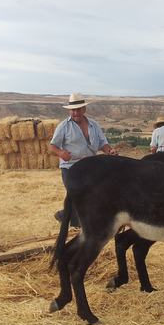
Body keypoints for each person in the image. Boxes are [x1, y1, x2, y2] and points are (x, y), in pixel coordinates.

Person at [49, 93, 118, 226]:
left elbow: (103, 144)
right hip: (71, 167)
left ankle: (69, 216)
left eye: (78, 109)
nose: (75, 113)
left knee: (94, 194)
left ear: (84, 109)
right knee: (76, 195)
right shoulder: (63, 127)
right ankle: (72, 220)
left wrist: (110, 151)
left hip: (91, 167)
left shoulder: (94, 125)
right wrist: (61, 153)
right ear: (69, 111)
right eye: (73, 110)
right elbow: (52, 146)